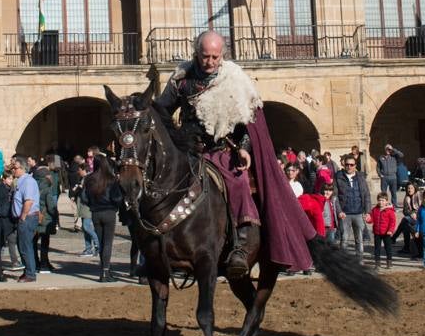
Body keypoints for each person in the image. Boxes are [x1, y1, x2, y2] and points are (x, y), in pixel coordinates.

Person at [154, 30, 317, 277]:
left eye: (214, 57)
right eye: (205, 56)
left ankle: (240, 245)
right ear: (196, 53)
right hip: (187, 150)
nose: (209, 62)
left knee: (238, 183)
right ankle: (155, 245)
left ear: (223, 55)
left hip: (221, 150)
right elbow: (163, 111)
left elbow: (247, 121)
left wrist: (244, 148)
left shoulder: (235, 79)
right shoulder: (181, 79)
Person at [84, 162, 124, 283]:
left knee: (101, 243)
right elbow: (117, 198)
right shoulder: (111, 180)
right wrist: (115, 205)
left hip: (96, 213)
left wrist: (92, 204)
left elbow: (84, 197)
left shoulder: (90, 179)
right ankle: (105, 271)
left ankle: (104, 269)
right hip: (109, 212)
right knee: (107, 243)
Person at [334, 154, 371, 257]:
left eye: (351, 165)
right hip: (344, 213)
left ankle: (359, 262)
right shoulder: (338, 177)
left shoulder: (361, 177)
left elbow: (366, 195)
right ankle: (343, 263)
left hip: (359, 213)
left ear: (355, 165)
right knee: (344, 240)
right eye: (347, 164)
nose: (349, 167)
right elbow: (335, 196)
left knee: (359, 240)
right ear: (344, 165)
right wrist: (339, 211)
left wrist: (368, 212)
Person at [11, 160, 40, 282]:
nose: (13, 170)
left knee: (25, 246)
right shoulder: (21, 181)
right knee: (23, 246)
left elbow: (28, 201)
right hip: (25, 217)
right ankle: (28, 270)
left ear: (22, 168)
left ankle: (30, 273)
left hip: (27, 218)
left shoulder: (28, 182)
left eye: (15, 168)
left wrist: (23, 216)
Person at [366, 192, 398, 269]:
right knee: (377, 248)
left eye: (383, 200)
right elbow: (371, 220)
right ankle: (377, 263)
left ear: (386, 201)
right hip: (377, 232)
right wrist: (368, 219)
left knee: (388, 248)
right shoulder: (374, 210)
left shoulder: (390, 211)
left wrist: (390, 230)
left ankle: (389, 262)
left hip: (387, 233)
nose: (381, 202)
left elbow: (393, 222)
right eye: (379, 200)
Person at [36, 169, 59, 272]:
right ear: (46, 177)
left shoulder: (35, 186)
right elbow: (50, 206)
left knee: (34, 242)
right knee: (45, 243)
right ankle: (44, 265)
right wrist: (56, 216)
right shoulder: (47, 189)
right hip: (45, 218)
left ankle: (37, 263)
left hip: (35, 217)